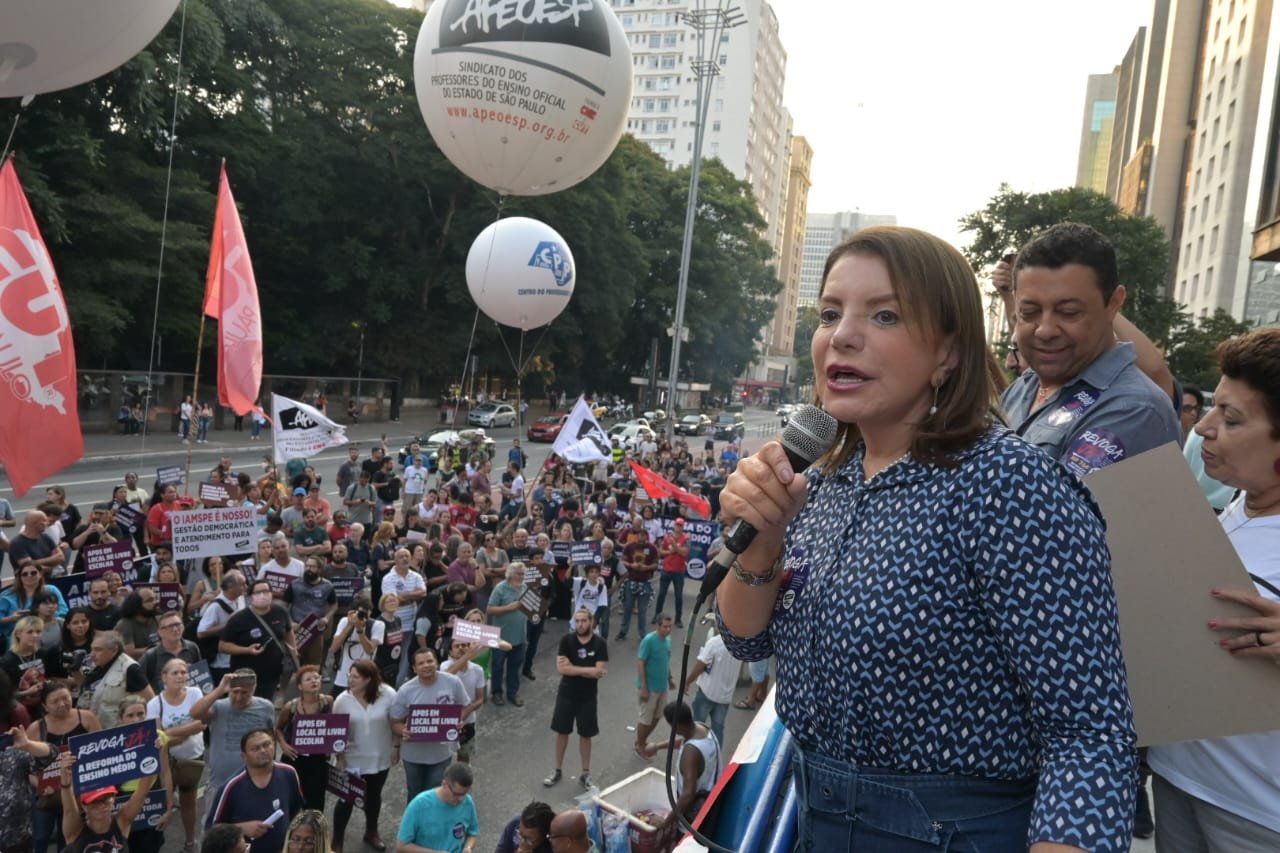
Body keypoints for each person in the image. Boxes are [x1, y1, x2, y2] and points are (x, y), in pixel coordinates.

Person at [715, 226, 1138, 850]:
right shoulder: (822, 476)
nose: (843, 335)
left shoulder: (1009, 486)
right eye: (830, 313)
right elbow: (742, 637)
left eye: (884, 314)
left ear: (949, 352)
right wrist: (762, 540)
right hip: (815, 818)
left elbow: (1090, 732)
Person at [1145, 328, 1280, 849]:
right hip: (1181, 781)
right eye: (1213, 409)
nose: (1203, 428)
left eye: (1232, 418)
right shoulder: (1233, 509)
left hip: (1259, 814)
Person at [28, 681, 103, 853]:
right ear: (45, 706)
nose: (62, 704)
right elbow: (28, 768)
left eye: (66, 698)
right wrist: (39, 785)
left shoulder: (87, 718)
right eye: (55, 701)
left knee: (70, 838)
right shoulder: (36, 729)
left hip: (78, 791)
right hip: (48, 793)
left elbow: (102, 752)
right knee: (40, 836)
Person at [205, 728, 304, 853]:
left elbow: (296, 811)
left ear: (274, 745)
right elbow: (211, 830)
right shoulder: (231, 787)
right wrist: (242, 828)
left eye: (267, 744)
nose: (263, 750)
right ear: (244, 756)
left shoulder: (289, 773)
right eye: (255, 748)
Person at [390, 647, 470, 801]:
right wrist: (403, 731)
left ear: (436, 663)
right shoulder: (405, 691)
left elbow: (464, 707)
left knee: (435, 797)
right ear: (414, 668)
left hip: (441, 754)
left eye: (429, 661)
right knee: (415, 796)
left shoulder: (453, 682)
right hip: (413, 757)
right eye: (421, 663)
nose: (426, 665)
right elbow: (395, 722)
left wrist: (459, 720)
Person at [333, 659, 396, 852]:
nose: (350, 681)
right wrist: (339, 757)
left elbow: (397, 721)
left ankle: (371, 832)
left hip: (380, 757)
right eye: (349, 676)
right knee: (347, 800)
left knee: (374, 797)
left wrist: (397, 746)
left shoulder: (388, 694)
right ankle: (337, 841)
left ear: (368, 679)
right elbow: (335, 732)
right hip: (353, 759)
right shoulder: (342, 700)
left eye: (355, 677)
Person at [543, 608, 608, 791]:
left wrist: (575, 668)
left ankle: (585, 773)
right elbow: (562, 669)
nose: (580, 624)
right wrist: (588, 670)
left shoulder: (600, 643)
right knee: (562, 732)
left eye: (583, 621)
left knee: (586, 735)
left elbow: (599, 672)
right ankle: (557, 770)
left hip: (588, 697)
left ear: (591, 622)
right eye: (577, 621)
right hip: (566, 694)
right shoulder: (566, 640)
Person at [147, 658, 206, 852]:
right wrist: (184, 732)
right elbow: (156, 738)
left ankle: (190, 841)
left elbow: (202, 723)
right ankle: (157, 843)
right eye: (175, 672)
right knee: (164, 803)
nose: (181, 676)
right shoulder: (155, 703)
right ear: (164, 677)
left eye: (183, 672)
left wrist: (171, 733)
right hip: (167, 763)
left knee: (189, 802)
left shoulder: (195, 693)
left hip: (192, 758)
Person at [191, 670, 278, 796]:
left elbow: (271, 740)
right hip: (220, 784)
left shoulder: (266, 707)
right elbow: (195, 714)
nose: (239, 697)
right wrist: (220, 689)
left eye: (244, 693)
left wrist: (271, 771)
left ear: (254, 689)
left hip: (257, 781)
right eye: (235, 692)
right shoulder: (218, 707)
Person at [59, 748, 155, 853]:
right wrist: (65, 781)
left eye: (106, 798)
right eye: (95, 801)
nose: (102, 805)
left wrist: (151, 750)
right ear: (84, 806)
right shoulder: (75, 832)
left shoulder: (121, 822)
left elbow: (142, 792)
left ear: (114, 798)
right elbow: (69, 810)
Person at [642, 701, 721, 828]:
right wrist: (658, 746)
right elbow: (683, 741)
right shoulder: (701, 729)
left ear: (675, 725)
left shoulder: (691, 753)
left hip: (695, 817)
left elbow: (688, 794)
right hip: (712, 798)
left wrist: (666, 822)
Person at [220, 579, 296, 700]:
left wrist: (294, 652)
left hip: (272, 672)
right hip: (245, 674)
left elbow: (289, 632)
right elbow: (223, 646)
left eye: (266, 591)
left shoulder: (280, 611)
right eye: (258, 592)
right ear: (250, 597)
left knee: (264, 703)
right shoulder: (238, 618)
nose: (262, 595)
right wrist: (246, 650)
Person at [276, 666, 332, 811]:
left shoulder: (328, 702)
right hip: (294, 759)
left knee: (316, 802)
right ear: (300, 686)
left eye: (316, 677)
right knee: (291, 800)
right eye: (308, 679)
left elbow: (336, 727)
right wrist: (284, 745)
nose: (314, 681)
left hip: (318, 760)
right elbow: (278, 729)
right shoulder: (290, 707)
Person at [394, 762, 478, 853]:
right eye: (456, 794)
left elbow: (473, 833)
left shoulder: (468, 802)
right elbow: (401, 846)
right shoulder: (419, 805)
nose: (461, 799)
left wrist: (468, 847)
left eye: (464, 794)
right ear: (444, 784)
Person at [79, 631, 152, 728]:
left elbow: (150, 701)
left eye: (98, 650)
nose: (92, 654)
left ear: (114, 650)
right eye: (91, 649)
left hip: (119, 732)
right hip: (95, 730)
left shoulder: (130, 669)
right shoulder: (95, 665)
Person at [684, 625, 738, 751]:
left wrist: (688, 681)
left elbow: (700, 665)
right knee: (718, 729)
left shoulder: (714, 643)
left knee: (697, 725)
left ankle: (694, 751)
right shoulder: (740, 644)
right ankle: (715, 755)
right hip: (725, 696)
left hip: (707, 692)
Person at [485, 563, 528, 707]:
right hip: (500, 636)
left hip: (520, 635)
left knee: (515, 667)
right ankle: (496, 693)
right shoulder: (500, 588)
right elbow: (490, 610)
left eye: (523, 574)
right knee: (497, 667)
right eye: (518, 574)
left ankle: (512, 693)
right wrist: (509, 608)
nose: (521, 577)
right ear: (510, 574)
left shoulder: (525, 588)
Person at [634, 615, 673, 760]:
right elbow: (640, 663)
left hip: (662, 686)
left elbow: (666, 661)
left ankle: (641, 741)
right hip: (649, 688)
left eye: (670, 627)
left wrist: (670, 678)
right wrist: (644, 687)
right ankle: (639, 746)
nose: (668, 630)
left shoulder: (668, 640)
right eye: (665, 627)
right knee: (645, 719)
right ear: (658, 626)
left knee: (658, 716)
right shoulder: (649, 640)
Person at [139, 609, 202, 692]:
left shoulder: (192, 648)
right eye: (170, 626)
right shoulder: (151, 656)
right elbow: (138, 683)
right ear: (160, 632)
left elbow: (201, 676)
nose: (175, 629)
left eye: (177, 624)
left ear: (183, 627)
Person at [616, 527, 657, 641]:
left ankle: (643, 634)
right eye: (640, 534)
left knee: (642, 610)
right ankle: (623, 631)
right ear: (637, 535)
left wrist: (647, 567)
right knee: (627, 608)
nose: (642, 537)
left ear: (647, 536)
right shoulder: (630, 546)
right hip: (631, 581)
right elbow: (622, 560)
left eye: (644, 535)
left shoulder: (652, 548)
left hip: (644, 582)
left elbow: (655, 564)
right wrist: (630, 565)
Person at [653, 518, 689, 627]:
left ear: (683, 527)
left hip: (679, 571)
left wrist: (674, 545)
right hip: (666, 570)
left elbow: (684, 553)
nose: (678, 527)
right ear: (674, 525)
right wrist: (670, 551)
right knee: (661, 595)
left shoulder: (686, 538)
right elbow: (661, 552)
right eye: (677, 525)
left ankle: (678, 619)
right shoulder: (666, 537)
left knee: (678, 596)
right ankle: (657, 616)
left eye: (680, 525)